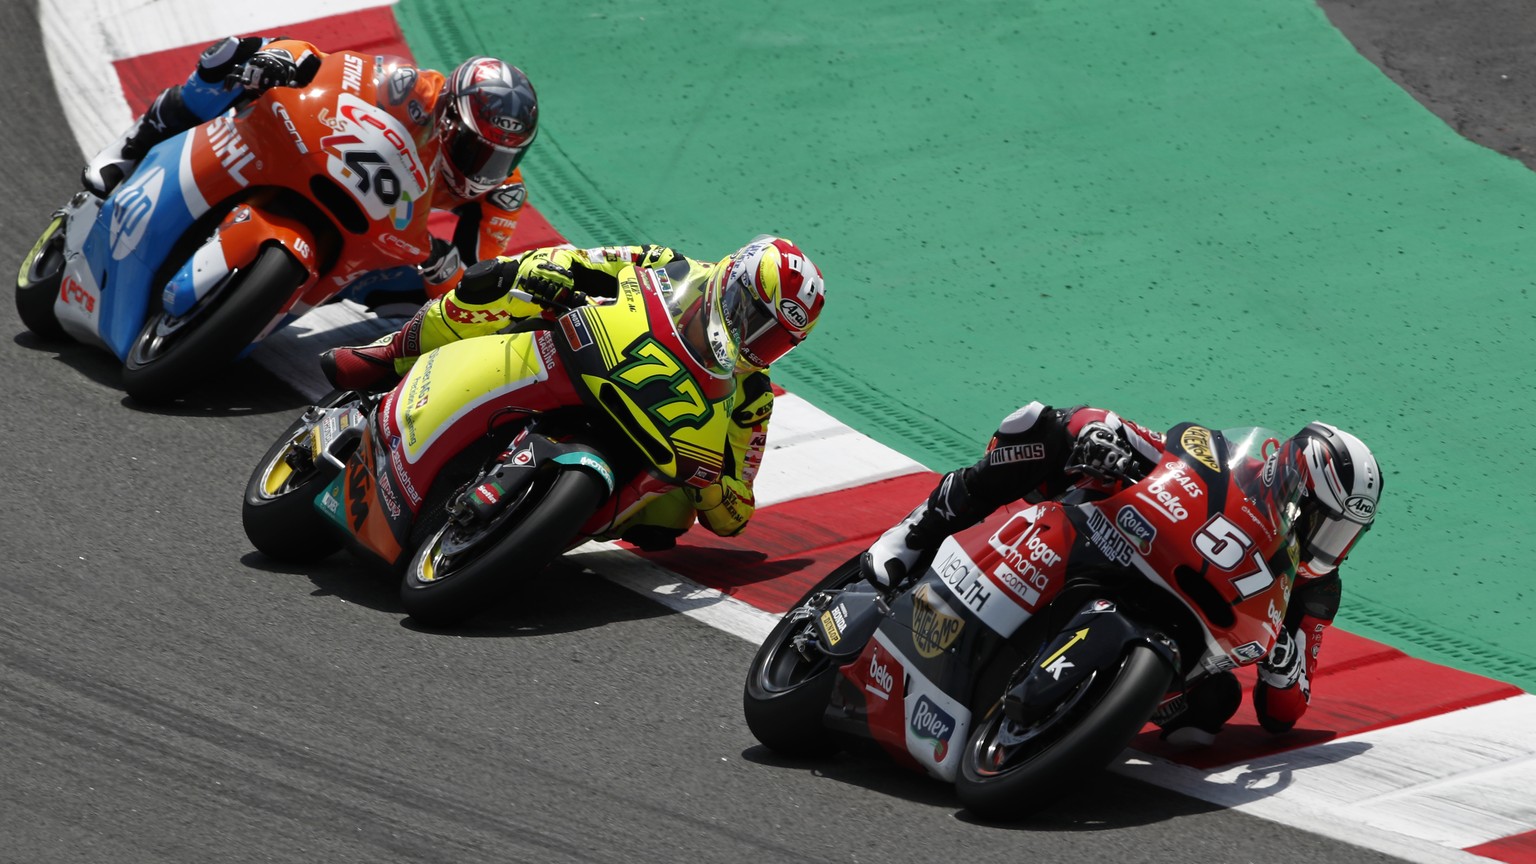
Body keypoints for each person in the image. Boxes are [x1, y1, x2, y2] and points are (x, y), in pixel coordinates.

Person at [861, 401, 1382, 743]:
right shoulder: (1233, 467)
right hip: (1124, 543)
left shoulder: (1317, 591)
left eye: (1344, 535)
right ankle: (918, 533)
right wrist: (1110, 439)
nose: (1329, 546)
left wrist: (1285, 662)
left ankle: (1088, 717)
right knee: (1048, 425)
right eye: (1325, 524)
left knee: (1213, 706)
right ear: (1293, 484)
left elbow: (1284, 712)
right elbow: (1166, 446)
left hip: (1188, 641)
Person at [321, 236, 827, 546]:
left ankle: (536, 528)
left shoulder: (754, 395)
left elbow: (738, 510)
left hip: (656, 434)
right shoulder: (670, 265)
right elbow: (585, 258)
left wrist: (713, 484)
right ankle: (388, 353)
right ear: (733, 281)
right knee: (505, 290)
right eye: (756, 322)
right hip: (587, 351)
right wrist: (537, 274)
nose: (757, 344)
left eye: (776, 341)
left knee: (673, 514)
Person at [81, 36, 539, 303]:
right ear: (449, 118)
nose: (487, 169)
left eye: (502, 157)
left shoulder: (500, 194)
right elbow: (331, 65)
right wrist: (285, 59)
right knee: (237, 56)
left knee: (425, 303)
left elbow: (476, 285)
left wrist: (446, 270)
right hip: (336, 161)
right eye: (477, 150)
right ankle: (134, 144)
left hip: (381, 232)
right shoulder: (415, 89)